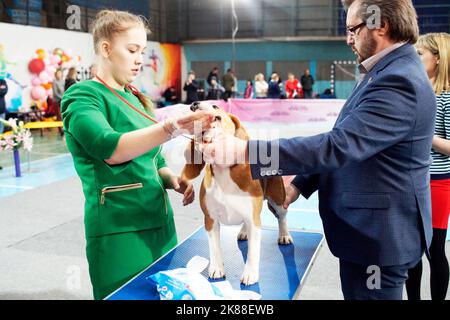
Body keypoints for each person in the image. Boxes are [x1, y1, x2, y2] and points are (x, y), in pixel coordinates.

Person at [199, 0, 436, 300]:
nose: (348, 38)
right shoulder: (384, 72)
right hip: (367, 234)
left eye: (353, 30)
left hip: (379, 239)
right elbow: (346, 141)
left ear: (381, 24)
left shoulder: (398, 80)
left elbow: (338, 147)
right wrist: (298, 184)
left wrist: (244, 151)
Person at [60, 10, 214, 300]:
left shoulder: (137, 98)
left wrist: (173, 179)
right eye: (132, 50)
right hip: (119, 230)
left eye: (142, 51)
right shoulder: (82, 96)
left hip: (162, 225)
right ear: (105, 49)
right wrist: (171, 127)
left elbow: (154, 160)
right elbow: (111, 148)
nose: (140, 59)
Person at [406, 32, 450, 301]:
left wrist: (424, 135)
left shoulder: (447, 98)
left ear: (438, 58)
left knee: (434, 251)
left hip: (438, 183)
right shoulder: (416, 93)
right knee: (411, 251)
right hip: (411, 180)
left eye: (420, 53)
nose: (414, 57)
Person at [51, 69, 65, 135]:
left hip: (63, 100)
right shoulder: (54, 82)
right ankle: (60, 130)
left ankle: (65, 128)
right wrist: (62, 98)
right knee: (59, 116)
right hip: (57, 101)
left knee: (63, 115)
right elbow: (55, 93)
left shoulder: (63, 81)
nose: (59, 75)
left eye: (60, 73)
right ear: (55, 74)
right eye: (57, 74)